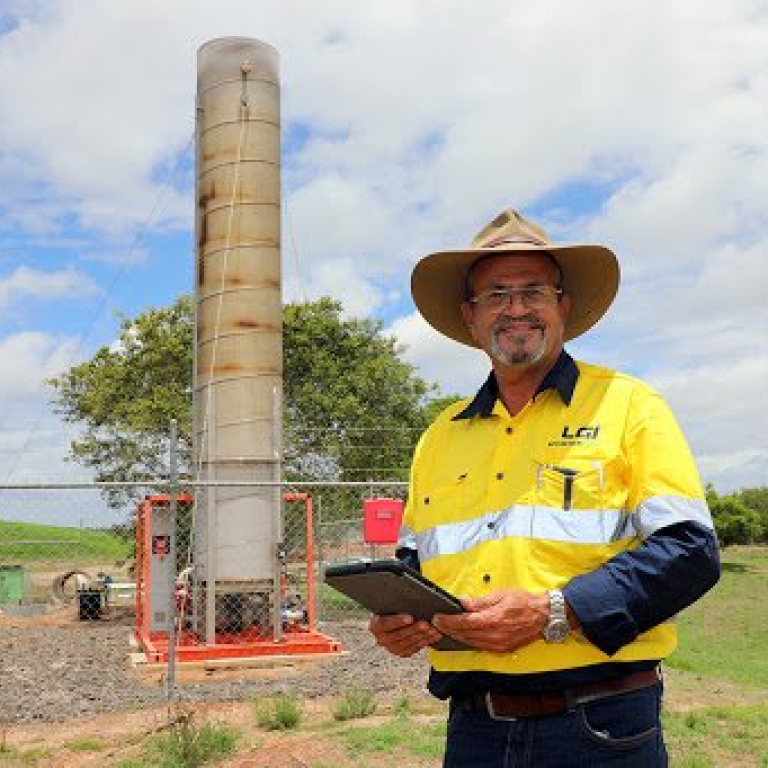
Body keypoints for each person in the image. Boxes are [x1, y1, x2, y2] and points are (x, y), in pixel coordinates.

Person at [368, 209, 721, 767]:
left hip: (600, 725)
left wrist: (554, 610)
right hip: (473, 727)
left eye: (533, 291)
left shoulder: (629, 407)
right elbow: (416, 560)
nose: (515, 308)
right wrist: (400, 618)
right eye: (495, 295)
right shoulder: (439, 436)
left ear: (563, 306)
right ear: (470, 316)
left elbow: (690, 551)